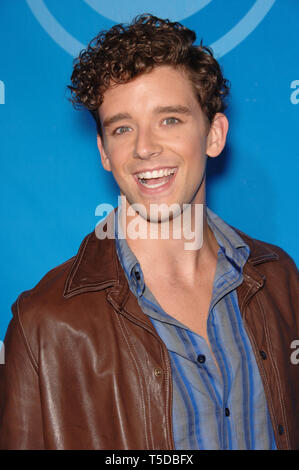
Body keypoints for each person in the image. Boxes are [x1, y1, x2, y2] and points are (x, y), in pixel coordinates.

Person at [0, 14, 298, 451]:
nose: (144, 148)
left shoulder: (280, 280)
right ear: (104, 152)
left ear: (213, 135)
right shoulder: (45, 325)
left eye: (170, 120)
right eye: (122, 127)